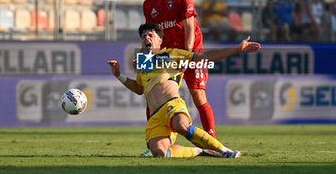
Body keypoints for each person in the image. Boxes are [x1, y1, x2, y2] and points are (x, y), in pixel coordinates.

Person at [108, 23, 261, 158]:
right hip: (155, 116)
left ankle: (224, 150)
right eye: (143, 36)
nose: (146, 38)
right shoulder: (143, 63)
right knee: (160, 153)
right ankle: (200, 151)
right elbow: (139, 89)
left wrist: (236, 49)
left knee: (181, 125)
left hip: (172, 105)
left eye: (150, 35)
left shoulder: (172, 54)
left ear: (159, 41)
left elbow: (205, 56)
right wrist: (118, 75)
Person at [142, 0, 216, 140]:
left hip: (191, 51)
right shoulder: (148, 4)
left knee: (198, 96)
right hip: (167, 54)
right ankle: (155, 141)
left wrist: (186, 56)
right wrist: (145, 59)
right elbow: (150, 35)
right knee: (153, 97)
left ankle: (211, 140)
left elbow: (190, 28)